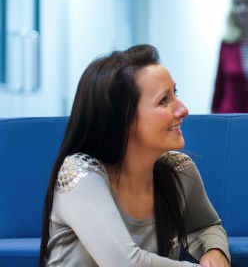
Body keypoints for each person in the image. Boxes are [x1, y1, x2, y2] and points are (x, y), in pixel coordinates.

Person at [39, 45, 230, 266]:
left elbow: (205, 226)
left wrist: (214, 250)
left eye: (175, 94)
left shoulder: (179, 170)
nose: (183, 109)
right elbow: (124, 263)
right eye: (164, 100)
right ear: (123, 119)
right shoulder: (80, 175)